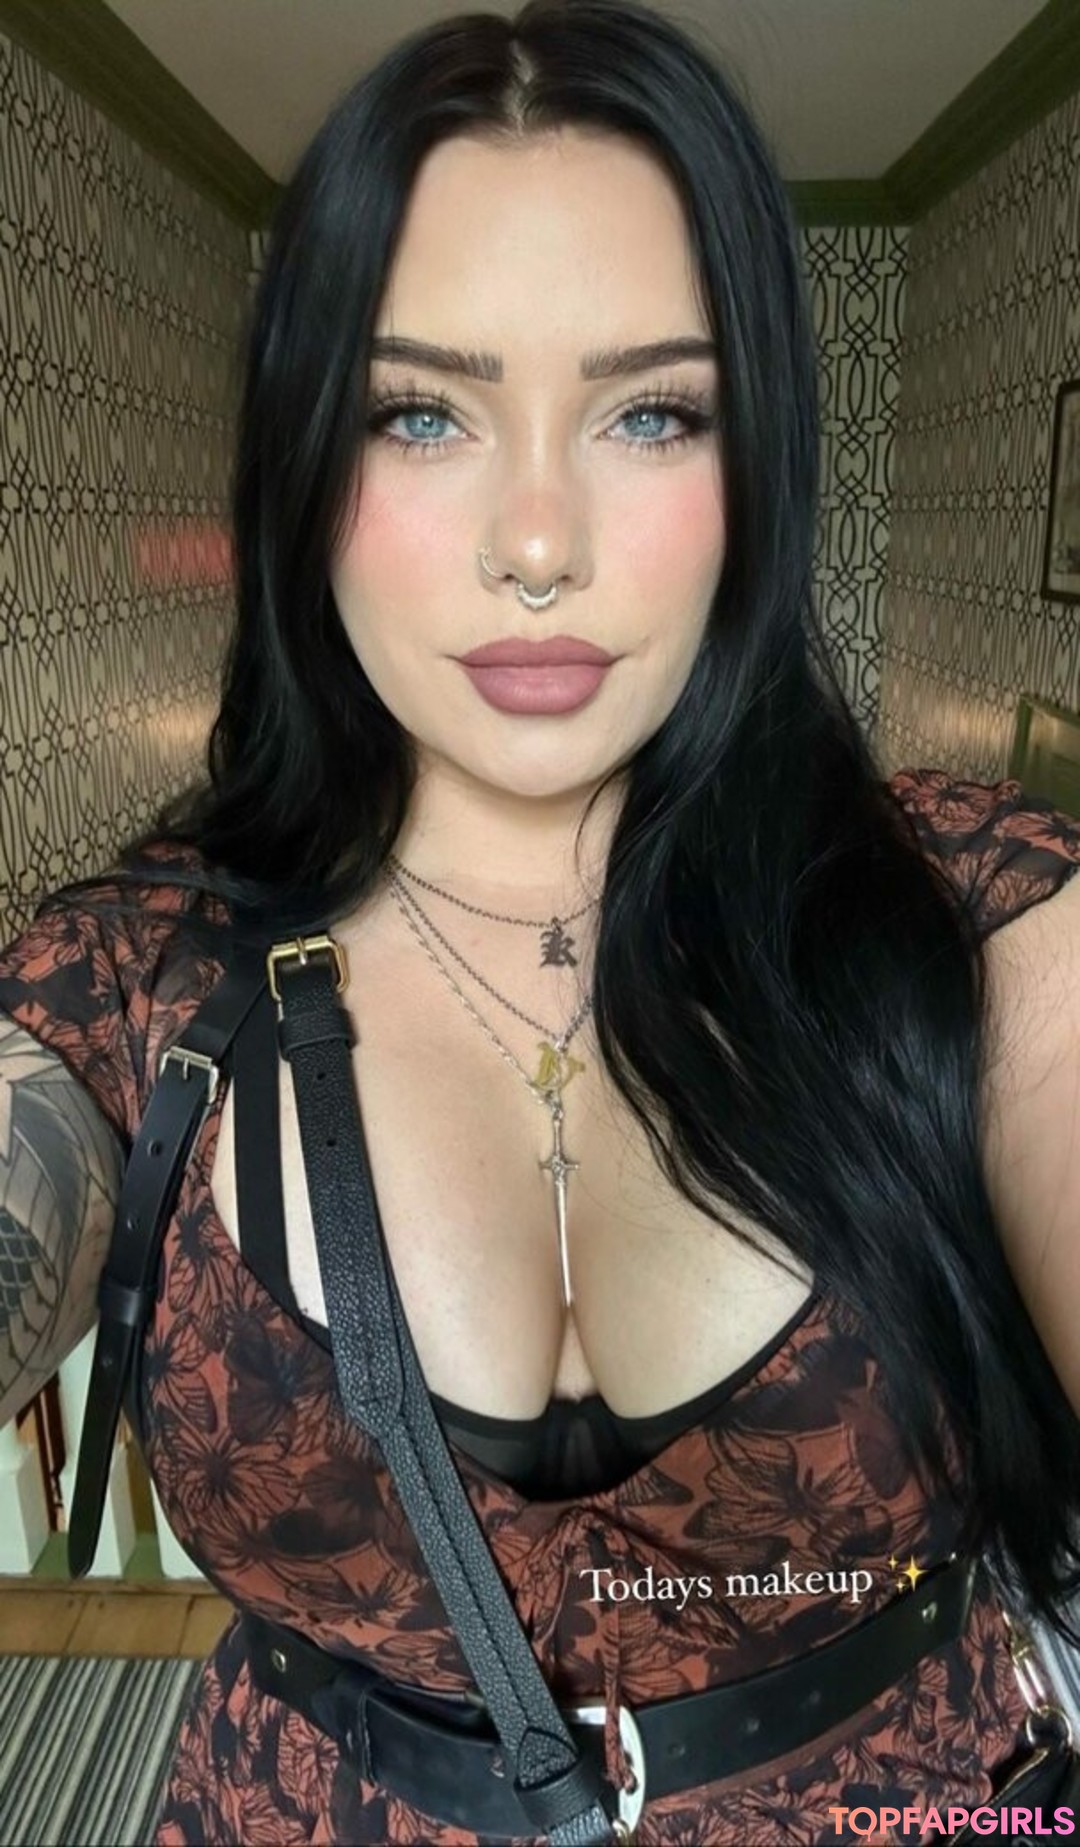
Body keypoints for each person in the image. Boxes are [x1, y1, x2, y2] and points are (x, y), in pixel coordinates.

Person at [1, 1, 1079, 1841]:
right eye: (420, 412)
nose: (538, 541)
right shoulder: (135, 980)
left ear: (758, 467)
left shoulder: (975, 913)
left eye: (652, 412)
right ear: (304, 468)